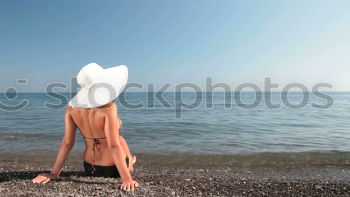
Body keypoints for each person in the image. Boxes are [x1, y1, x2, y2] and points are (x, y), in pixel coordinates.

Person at [32, 63, 139, 191]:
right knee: (120, 140)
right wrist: (127, 179)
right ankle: (130, 164)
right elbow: (113, 145)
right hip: (112, 169)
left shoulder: (71, 108)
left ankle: (131, 161)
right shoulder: (109, 108)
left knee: (119, 137)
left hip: (89, 167)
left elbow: (67, 143)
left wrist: (54, 173)